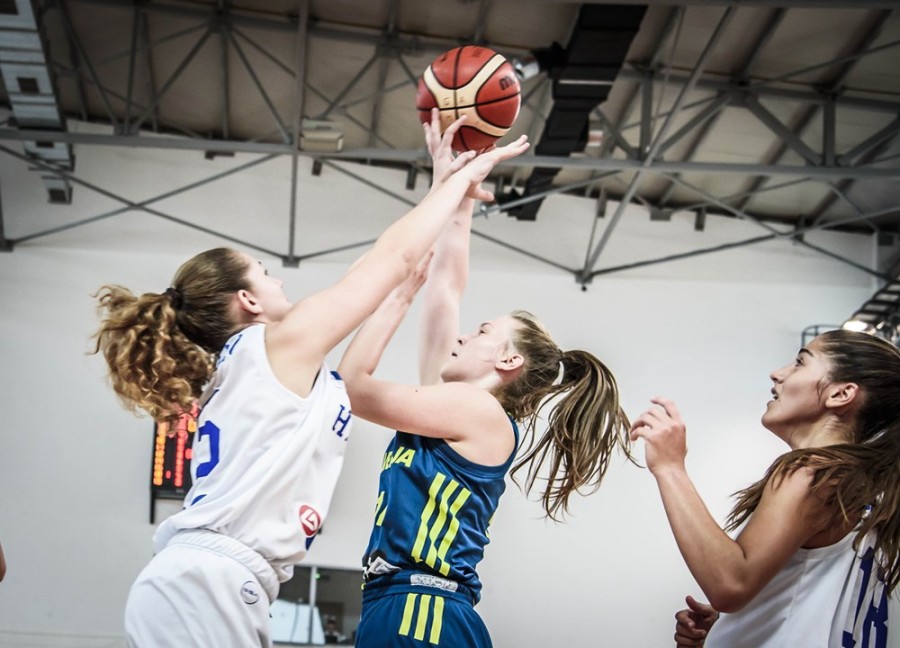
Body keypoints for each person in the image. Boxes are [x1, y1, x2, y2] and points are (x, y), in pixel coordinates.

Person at [92, 115, 529, 648]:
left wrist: (441, 202)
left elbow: (379, 290)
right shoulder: (274, 345)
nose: (276, 278)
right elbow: (392, 258)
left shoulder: (261, 364)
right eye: (263, 271)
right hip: (208, 581)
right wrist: (456, 183)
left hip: (216, 580)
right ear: (247, 300)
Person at [337, 111, 632, 647]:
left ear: (508, 361)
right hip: (405, 603)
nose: (464, 335)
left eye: (482, 331)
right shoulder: (452, 407)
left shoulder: (474, 412)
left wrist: (396, 296)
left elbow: (351, 387)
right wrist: (454, 190)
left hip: (422, 609)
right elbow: (446, 285)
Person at [629, 330, 898, 647]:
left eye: (800, 362)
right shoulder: (861, 486)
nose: (778, 373)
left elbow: (731, 585)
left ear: (841, 394)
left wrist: (670, 467)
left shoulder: (812, 473)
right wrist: (744, 621)